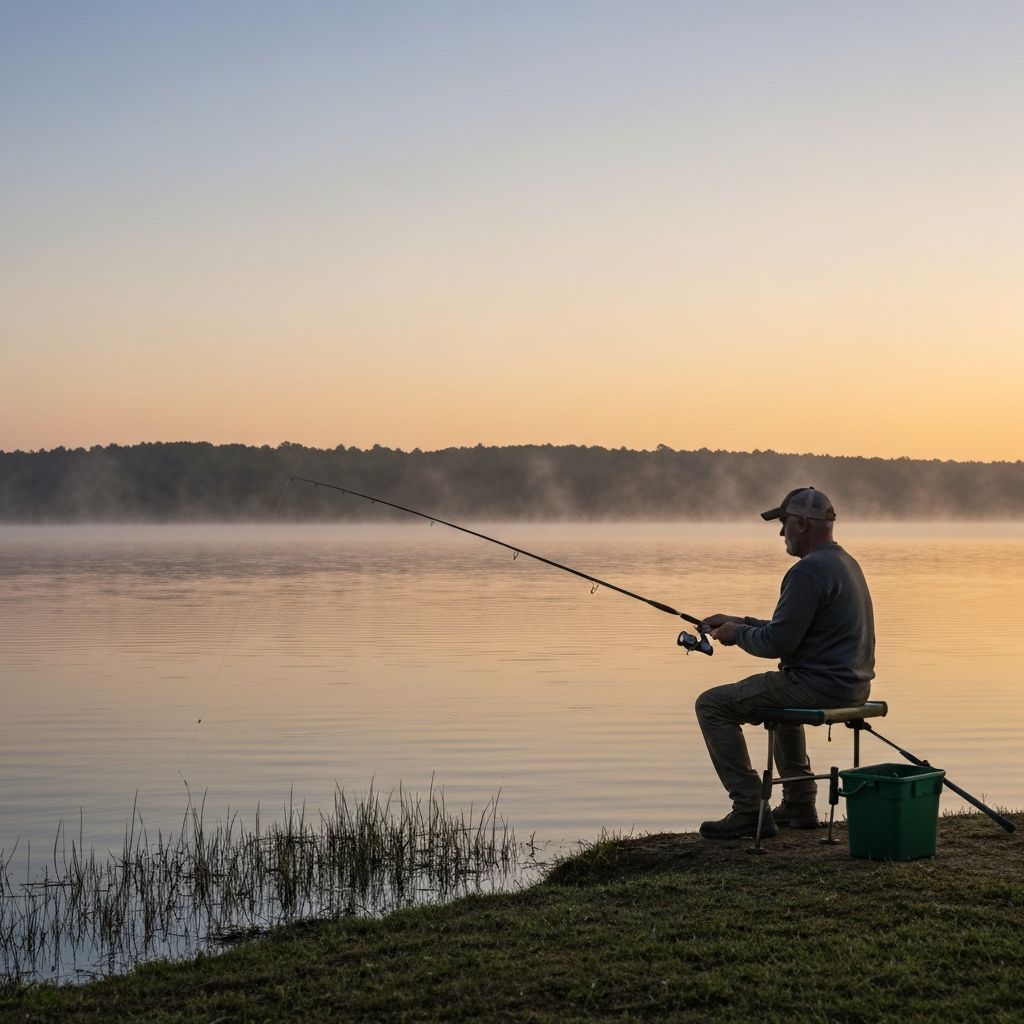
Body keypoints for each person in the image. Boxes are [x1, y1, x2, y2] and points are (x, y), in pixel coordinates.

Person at [694, 487, 875, 840]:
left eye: (784, 524)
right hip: (851, 685)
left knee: (712, 705)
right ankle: (798, 802)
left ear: (802, 524)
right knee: (780, 688)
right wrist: (739, 621)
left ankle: (749, 808)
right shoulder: (844, 563)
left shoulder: (808, 571)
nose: (781, 533)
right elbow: (794, 631)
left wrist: (736, 634)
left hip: (819, 687)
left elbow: (777, 644)